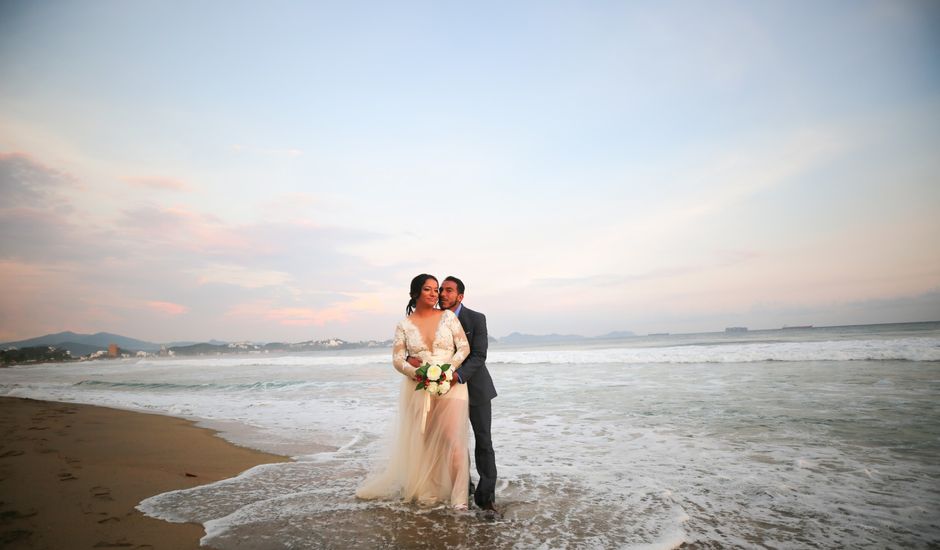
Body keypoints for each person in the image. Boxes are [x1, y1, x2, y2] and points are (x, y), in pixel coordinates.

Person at [356, 274, 472, 509]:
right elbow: (398, 360)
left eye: (435, 289)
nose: (434, 293)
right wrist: (415, 373)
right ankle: (430, 493)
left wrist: (446, 371)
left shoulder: (448, 317)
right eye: (428, 289)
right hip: (418, 388)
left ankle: (460, 499)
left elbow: (464, 348)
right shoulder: (404, 325)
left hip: (450, 384)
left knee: (453, 440)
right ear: (415, 293)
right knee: (426, 440)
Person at [409, 275, 499, 517]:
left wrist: (455, 377)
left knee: (484, 442)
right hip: (443, 392)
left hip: (474, 388)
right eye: (441, 290)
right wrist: (411, 360)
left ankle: (486, 498)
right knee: (453, 442)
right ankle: (463, 489)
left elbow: (479, 355)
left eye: (448, 291)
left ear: (460, 296)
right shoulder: (435, 317)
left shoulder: (476, 319)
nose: (442, 295)